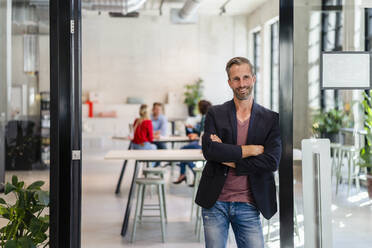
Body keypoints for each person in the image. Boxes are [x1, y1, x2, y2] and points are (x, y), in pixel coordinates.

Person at [195, 57, 282, 248]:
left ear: (253, 79)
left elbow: (271, 162)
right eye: (236, 79)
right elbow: (210, 151)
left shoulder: (271, 119)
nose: (241, 84)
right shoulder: (215, 113)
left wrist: (228, 158)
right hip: (215, 202)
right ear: (229, 82)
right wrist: (249, 150)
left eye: (245, 77)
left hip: (249, 202)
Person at [173, 100, 212, 186]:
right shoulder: (209, 116)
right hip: (205, 143)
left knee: (182, 150)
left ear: (201, 108)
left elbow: (202, 132)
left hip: (202, 145)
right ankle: (187, 174)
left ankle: (190, 174)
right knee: (185, 155)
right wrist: (196, 133)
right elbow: (204, 132)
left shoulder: (204, 117)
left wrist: (193, 129)